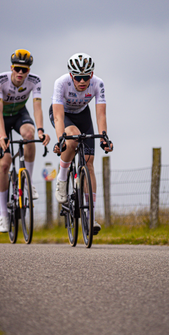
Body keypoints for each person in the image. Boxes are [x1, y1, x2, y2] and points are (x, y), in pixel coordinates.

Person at [50, 52, 113, 235]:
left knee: (89, 162)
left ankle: (90, 216)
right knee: (74, 138)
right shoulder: (61, 83)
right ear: (72, 75)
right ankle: (62, 179)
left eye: (86, 77)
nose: (83, 81)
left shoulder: (98, 84)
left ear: (91, 75)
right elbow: (58, 116)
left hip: (83, 115)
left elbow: (101, 115)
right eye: (78, 77)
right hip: (63, 115)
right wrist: (61, 138)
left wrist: (104, 138)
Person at [0, 49, 50, 233]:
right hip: (1, 119)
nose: (20, 73)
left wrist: (41, 130)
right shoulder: (0, 80)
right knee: (5, 163)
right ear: (12, 68)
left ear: (28, 71)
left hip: (19, 115)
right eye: (17, 69)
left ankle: (28, 182)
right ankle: (3, 214)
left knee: (29, 134)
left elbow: (37, 108)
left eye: (24, 70)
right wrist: (2, 135)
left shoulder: (35, 81)